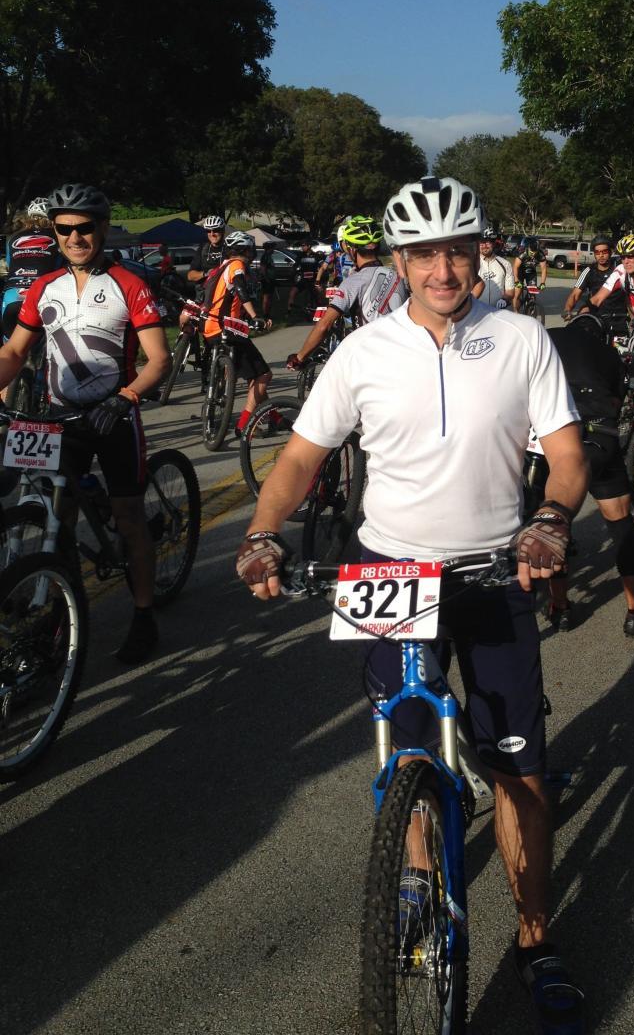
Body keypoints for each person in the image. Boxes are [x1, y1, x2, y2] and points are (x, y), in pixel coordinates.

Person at [236, 175, 589, 1032]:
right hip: (389, 572)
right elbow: (297, 462)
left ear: (480, 253)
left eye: (458, 250)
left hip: (496, 572)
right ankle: (418, 874)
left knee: (519, 771)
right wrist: (261, 531)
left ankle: (536, 942)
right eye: (425, 253)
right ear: (398, 261)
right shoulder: (362, 351)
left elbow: (569, 458)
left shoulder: (519, 338)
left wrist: (549, 519)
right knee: (406, 746)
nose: (443, 269)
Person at [0, 183, 172, 663]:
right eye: (64, 229)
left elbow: (160, 359)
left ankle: (143, 616)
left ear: (102, 227)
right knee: (58, 513)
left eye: (85, 228)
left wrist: (127, 398)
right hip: (59, 419)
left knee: (129, 517)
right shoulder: (43, 287)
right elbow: (15, 352)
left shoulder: (128, 284)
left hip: (113, 416)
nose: (75, 237)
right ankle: (60, 607)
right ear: (54, 232)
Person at [545, 313, 634, 637]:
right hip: (599, 437)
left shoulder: (548, 337)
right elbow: (620, 401)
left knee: (554, 520)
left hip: (554, 438)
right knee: (620, 522)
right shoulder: (610, 354)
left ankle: (560, 606)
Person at [285, 217, 405, 370]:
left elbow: (324, 325)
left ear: (353, 250)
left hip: (371, 361)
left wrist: (299, 358)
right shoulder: (398, 277)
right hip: (401, 356)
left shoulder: (352, 282)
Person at [202, 230, 274, 438]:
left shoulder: (220, 267)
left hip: (210, 327)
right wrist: (255, 316)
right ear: (245, 250)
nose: (253, 253)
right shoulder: (236, 265)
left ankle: (274, 417)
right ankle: (244, 425)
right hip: (228, 328)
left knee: (254, 373)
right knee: (263, 375)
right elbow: (241, 290)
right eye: (251, 249)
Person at [2, 198, 61, 342]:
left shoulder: (13, 238)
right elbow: (60, 267)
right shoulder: (58, 237)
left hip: (12, 295)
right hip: (43, 293)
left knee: (9, 345)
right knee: (48, 345)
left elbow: (9, 265)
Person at [561, 237, 613, 321]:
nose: (601, 255)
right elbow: (575, 295)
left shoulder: (618, 269)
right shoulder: (588, 270)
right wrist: (567, 310)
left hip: (618, 315)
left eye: (605, 251)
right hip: (595, 313)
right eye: (597, 252)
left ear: (611, 252)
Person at [472, 227, 514, 308]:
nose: (484, 246)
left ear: (493, 244)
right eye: (482, 243)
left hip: (498, 311)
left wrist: (504, 299)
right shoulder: (472, 263)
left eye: (488, 242)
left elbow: (510, 291)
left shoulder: (505, 264)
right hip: (476, 311)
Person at [187, 215, 226, 298]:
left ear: (223, 230)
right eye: (208, 230)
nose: (212, 234)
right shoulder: (202, 249)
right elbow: (190, 276)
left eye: (216, 230)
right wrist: (206, 274)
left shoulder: (230, 249)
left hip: (224, 295)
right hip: (205, 297)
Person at [286, 236, 324, 319]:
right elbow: (295, 266)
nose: (302, 247)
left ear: (309, 246)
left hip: (313, 279)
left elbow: (322, 266)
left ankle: (320, 310)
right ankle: (289, 312)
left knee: (320, 291)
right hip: (303, 279)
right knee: (292, 292)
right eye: (301, 246)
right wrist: (293, 271)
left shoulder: (316, 255)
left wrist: (319, 276)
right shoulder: (300, 256)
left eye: (303, 245)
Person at [512, 236, 547, 312]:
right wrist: (516, 280)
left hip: (531, 272)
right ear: (528, 249)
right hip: (520, 271)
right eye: (531, 252)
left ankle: (531, 310)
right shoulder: (522, 253)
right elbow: (515, 267)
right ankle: (515, 312)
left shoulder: (540, 254)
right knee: (517, 292)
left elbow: (544, 269)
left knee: (533, 294)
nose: (533, 254)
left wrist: (543, 283)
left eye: (535, 252)